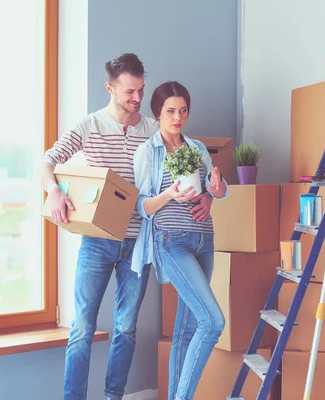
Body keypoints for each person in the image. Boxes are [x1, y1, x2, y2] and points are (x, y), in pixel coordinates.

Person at [38, 54, 215, 400]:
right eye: (130, 92)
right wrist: (54, 192)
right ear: (110, 88)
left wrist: (207, 194)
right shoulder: (90, 126)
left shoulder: (152, 128)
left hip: (139, 241)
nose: (137, 99)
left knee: (125, 328)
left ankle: (112, 396)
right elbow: (48, 161)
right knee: (82, 328)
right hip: (97, 240)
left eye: (141, 90)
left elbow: (191, 165)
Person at [131, 81, 228, 400]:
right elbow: (142, 206)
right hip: (171, 241)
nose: (177, 117)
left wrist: (215, 191)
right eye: (170, 111)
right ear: (157, 113)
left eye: (183, 110)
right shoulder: (148, 151)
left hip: (204, 240)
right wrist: (169, 193)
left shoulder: (197, 148)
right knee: (212, 321)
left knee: (187, 331)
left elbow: (217, 190)